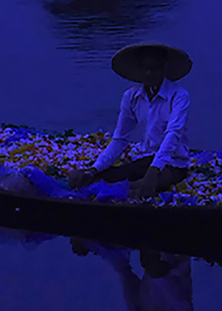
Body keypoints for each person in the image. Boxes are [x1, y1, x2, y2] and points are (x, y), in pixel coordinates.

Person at [67, 44, 193, 200]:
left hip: (172, 163)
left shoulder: (179, 95)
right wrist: (95, 169)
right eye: (144, 68)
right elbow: (120, 139)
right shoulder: (131, 97)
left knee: (142, 187)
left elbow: (173, 134)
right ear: (138, 70)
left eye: (154, 68)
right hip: (144, 159)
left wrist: (154, 170)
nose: (149, 73)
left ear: (164, 68)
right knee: (86, 179)